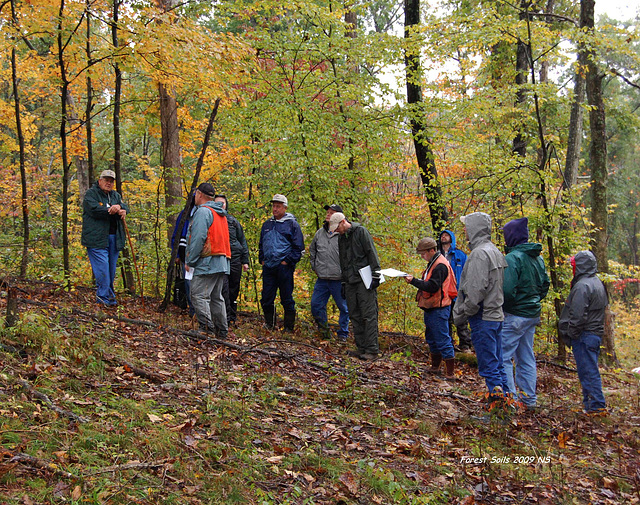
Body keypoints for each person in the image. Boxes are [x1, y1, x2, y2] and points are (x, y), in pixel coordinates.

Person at [453, 212, 508, 399]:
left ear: (474, 228)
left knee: (489, 366)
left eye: (467, 226)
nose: (465, 231)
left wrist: (464, 313)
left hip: (483, 317)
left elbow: (476, 291)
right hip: (495, 315)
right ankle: (506, 404)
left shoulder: (479, 254)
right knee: (498, 364)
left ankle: (498, 411)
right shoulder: (494, 250)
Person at [501, 217, 550, 409]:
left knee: (503, 357)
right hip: (531, 315)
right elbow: (544, 285)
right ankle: (528, 400)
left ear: (511, 236)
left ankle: (508, 403)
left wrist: (509, 306)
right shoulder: (537, 257)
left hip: (515, 315)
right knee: (526, 357)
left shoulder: (513, 258)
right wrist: (533, 301)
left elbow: (506, 290)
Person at [559, 251, 608, 415]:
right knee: (588, 370)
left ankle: (596, 406)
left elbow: (578, 315)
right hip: (592, 334)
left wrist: (571, 334)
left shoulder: (583, 286)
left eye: (574, 265)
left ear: (580, 266)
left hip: (585, 335)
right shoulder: (596, 282)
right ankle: (591, 405)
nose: (572, 268)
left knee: (588, 371)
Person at [329, 212, 381, 360]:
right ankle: (361, 347)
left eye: (337, 227)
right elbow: (343, 261)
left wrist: (376, 275)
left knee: (368, 314)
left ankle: (372, 350)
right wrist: (344, 282)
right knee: (354, 314)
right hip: (350, 281)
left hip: (365, 280)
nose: (336, 230)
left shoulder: (361, 232)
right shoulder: (341, 239)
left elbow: (372, 253)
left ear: (343, 222)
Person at [404, 237, 458, 378]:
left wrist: (414, 281)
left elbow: (433, 286)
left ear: (432, 250)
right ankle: (435, 367)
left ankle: (450, 373)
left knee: (442, 339)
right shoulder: (433, 263)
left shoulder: (440, 266)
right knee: (432, 338)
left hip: (439, 308)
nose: (422, 256)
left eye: (423, 253)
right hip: (431, 307)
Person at [186, 183, 231, 338]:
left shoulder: (203, 212)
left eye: (195, 194)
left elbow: (198, 238)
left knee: (198, 294)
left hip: (207, 261)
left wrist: (191, 260)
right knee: (216, 297)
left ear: (199, 194)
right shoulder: (220, 213)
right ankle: (221, 331)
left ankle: (206, 329)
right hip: (222, 261)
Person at [81, 169, 129, 306]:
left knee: (110, 271)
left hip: (114, 238)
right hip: (96, 240)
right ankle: (103, 299)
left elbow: (124, 206)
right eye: (106, 180)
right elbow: (94, 210)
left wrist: (120, 207)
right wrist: (110, 210)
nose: (108, 183)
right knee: (102, 270)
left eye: (111, 181)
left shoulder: (115, 195)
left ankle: (110, 298)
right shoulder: (91, 194)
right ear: (100, 180)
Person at [258, 194, 304, 331]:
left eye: (278, 206)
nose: (275, 209)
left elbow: (298, 248)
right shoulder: (267, 224)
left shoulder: (292, 224)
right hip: (268, 267)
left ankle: (288, 328)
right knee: (266, 297)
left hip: (284, 268)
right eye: (273, 206)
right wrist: (262, 259)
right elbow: (261, 244)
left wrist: (287, 262)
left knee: (286, 298)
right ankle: (269, 324)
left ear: (285, 208)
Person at [309, 204, 350, 341]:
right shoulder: (320, 233)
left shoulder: (344, 234)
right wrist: (314, 266)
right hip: (322, 278)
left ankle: (343, 334)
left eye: (331, 213)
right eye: (327, 212)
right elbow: (312, 250)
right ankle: (324, 331)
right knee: (316, 305)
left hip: (339, 279)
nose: (328, 214)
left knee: (344, 308)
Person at [214, 195, 250, 326]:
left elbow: (242, 241)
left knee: (234, 289)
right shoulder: (211, 219)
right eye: (217, 203)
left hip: (235, 258)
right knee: (223, 289)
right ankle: (225, 318)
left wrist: (245, 261)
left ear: (226, 205)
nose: (220, 205)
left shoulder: (233, 221)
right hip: (221, 259)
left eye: (222, 203)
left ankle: (232, 318)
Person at [439, 230, 473, 352]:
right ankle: (448, 345)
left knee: (461, 319)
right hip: (442, 293)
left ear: (451, 238)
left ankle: (465, 345)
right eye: (442, 236)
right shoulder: (438, 255)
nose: (444, 237)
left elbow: (467, 272)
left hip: (458, 292)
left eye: (446, 235)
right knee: (445, 319)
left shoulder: (460, 255)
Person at [170, 199, 196, 314]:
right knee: (188, 280)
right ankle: (192, 309)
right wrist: (176, 254)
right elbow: (177, 233)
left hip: (201, 254)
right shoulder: (184, 214)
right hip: (185, 252)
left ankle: (201, 310)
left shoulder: (206, 213)